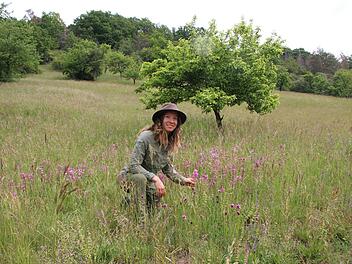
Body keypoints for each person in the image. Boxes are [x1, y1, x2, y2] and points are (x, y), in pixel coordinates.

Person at [118, 103, 195, 218]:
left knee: (155, 209)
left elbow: (168, 169)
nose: (171, 121)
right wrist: (155, 178)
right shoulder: (145, 137)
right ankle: (141, 224)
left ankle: (129, 202)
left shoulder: (169, 142)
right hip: (129, 177)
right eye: (167, 117)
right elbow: (133, 165)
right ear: (161, 120)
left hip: (148, 180)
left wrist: (184, 180)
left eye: (175, 118)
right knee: (140, 179)